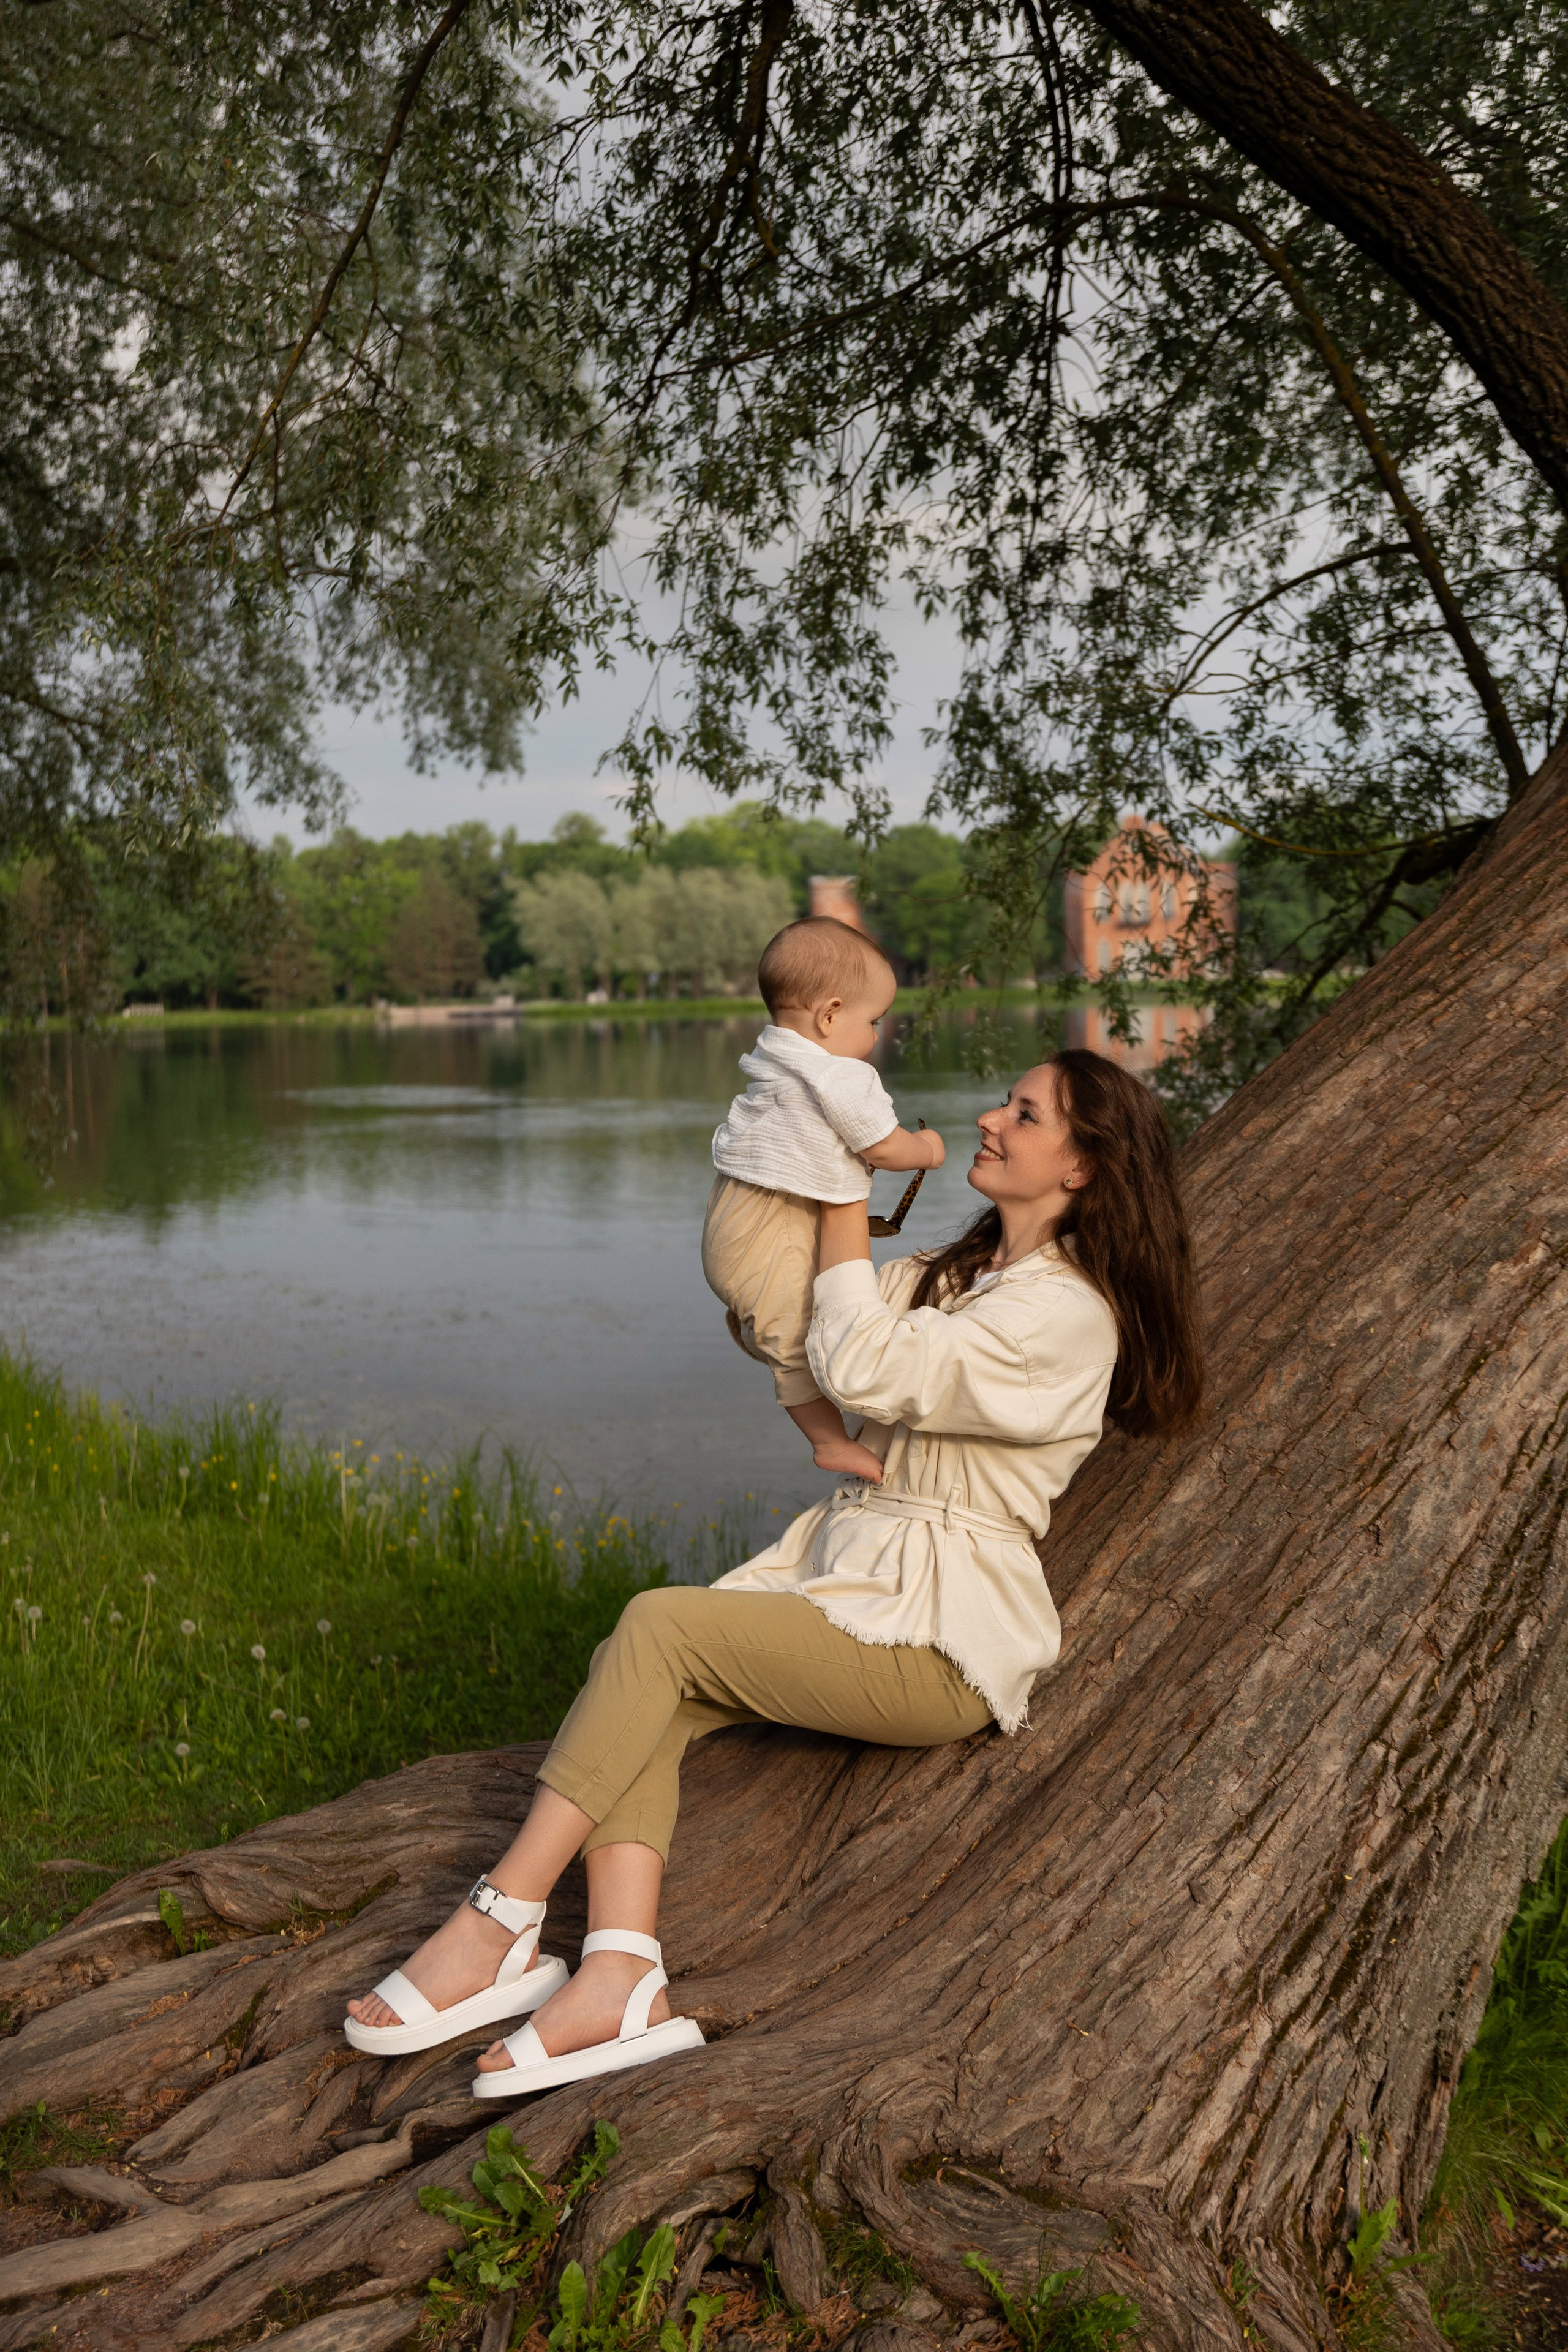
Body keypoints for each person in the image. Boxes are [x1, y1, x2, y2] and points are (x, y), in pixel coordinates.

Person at [343, 1048, 1204, 2097]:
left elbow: (866, 1365)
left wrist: (850, 1193)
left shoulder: (1067, 1314)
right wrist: (792, 1150)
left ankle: (500, 1921)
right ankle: (619, 1972)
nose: (989, 1118)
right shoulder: (951, 1274)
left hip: (938, 1640)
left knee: (661, 1628)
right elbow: (797, 1326)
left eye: (1024, 1114)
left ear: (1083, 1168)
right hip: (860, 1582)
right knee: (645, 1674)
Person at [703, 914, 944, 1482]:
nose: (877, 1035)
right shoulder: (840, 1076)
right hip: (766, 1234)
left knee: (786, 1319)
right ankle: (829, 1440)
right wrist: (928, 1149)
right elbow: (884, 1147)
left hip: (733, 1221)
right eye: (874, 1020)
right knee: (792, 1342)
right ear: (831, 1015)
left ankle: (756, 1319)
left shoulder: (777, 1056)